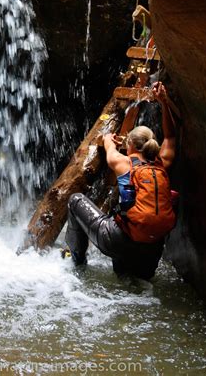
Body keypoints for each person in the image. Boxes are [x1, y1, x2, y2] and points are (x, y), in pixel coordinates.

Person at [64, 82, 177, 279]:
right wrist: (164, 103)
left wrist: (109, 139)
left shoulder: (122, 162)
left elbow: (108, 145)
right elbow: (171, 137)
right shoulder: (163, 164)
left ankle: (76, 261)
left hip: (118, 240)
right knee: (132, 283)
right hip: (151, 249)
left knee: (75, 200)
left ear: (130, 144)